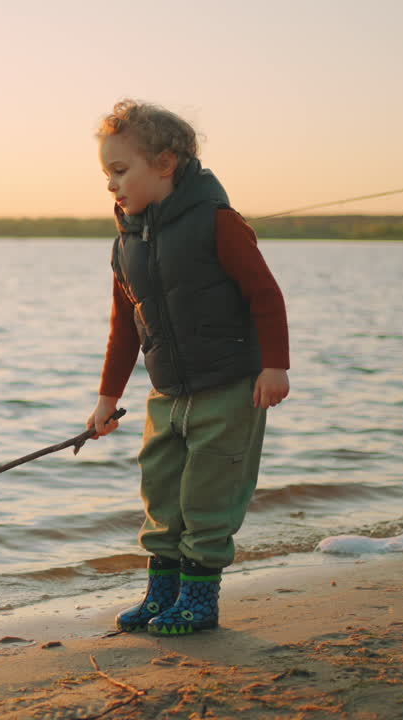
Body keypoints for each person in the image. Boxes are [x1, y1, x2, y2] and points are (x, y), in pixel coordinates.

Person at [86, 100, 290, 636]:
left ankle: (200, 601)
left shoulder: (218, 223)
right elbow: (124, 324)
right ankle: (163, 593)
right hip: (168, 392)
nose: (112, 185)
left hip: (230, 388)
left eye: (121, 171)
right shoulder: (126, 241)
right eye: (106, 174)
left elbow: (266, 296)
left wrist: (275, 367)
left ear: (166, 163)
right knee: (160, 490)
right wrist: (108, 399)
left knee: (208, 494)